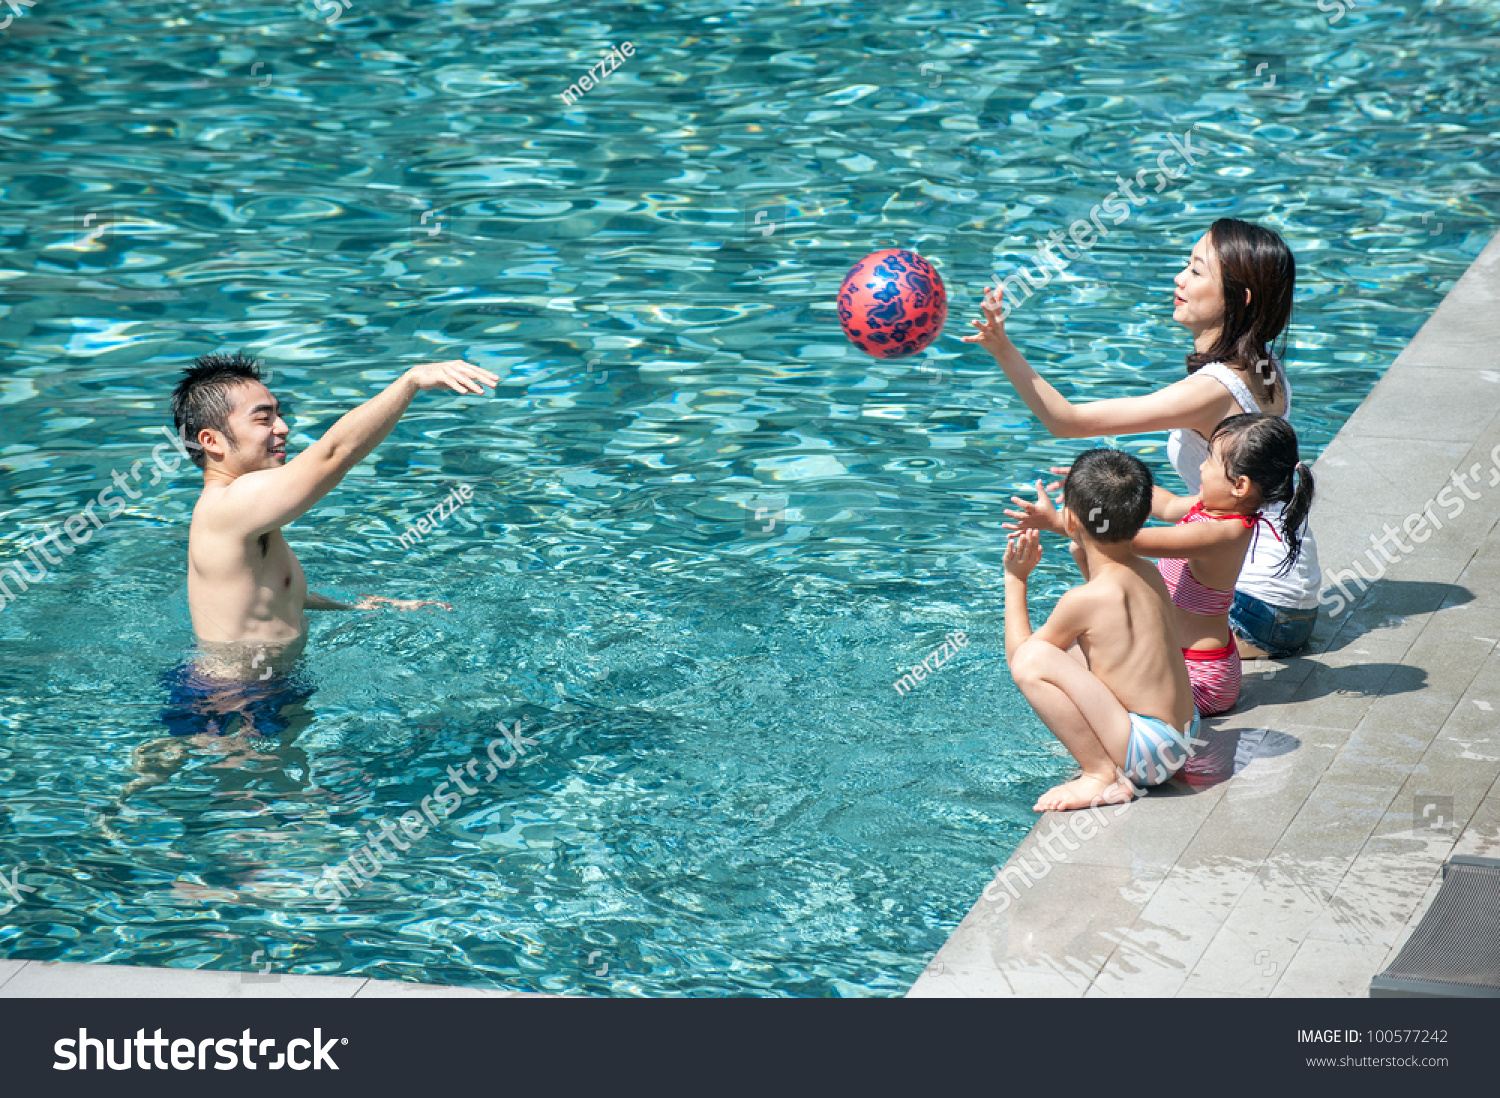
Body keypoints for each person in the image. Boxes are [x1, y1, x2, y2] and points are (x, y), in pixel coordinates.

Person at [966, 218, 1321, 659]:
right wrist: (1096, 482)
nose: (1179, 278)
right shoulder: (1266, 367)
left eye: (1196, 270)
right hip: (1292, 604)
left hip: (1250, 611)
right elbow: (1186, 505)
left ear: (1239, 298)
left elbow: (1067, 421)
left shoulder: (1211, 389)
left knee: (1079, 637)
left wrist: (1002, 348)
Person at [160, 350, 498, 736]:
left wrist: (371, 606)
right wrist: (411, 382)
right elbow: (333, 455)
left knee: (286, 786)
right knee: (255, 792)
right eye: (263, 419)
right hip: (234, 697)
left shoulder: (244, 512)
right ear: (212, 441)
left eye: (279, 414)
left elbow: (268, 597)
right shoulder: (229, 506)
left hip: (252, 686)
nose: (283, 428)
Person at [1008, 414, 1314, 716]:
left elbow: (1123, 538)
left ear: (1240, 485)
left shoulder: (1222, 533)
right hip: (1180, 661)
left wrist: (1054, 521)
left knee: (1068, 666)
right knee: (1078, 652)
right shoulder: (1213, 507)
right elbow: (1165, 504)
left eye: (1211, 459)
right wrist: (1104, 485)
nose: (1201, 466)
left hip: (1200, 679)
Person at [1003, 448, 1199, 812]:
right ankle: (1107, 761)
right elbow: (1109, 636)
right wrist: (1082, 549)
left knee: (1035, 659)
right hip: (1184, 735)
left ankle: (1100, 774)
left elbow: (1021, 660)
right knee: (1077, 654)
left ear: (1071, 521)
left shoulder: (1083, 600)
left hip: (1149, 754)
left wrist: (1016, 581)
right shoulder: (1149, 572)